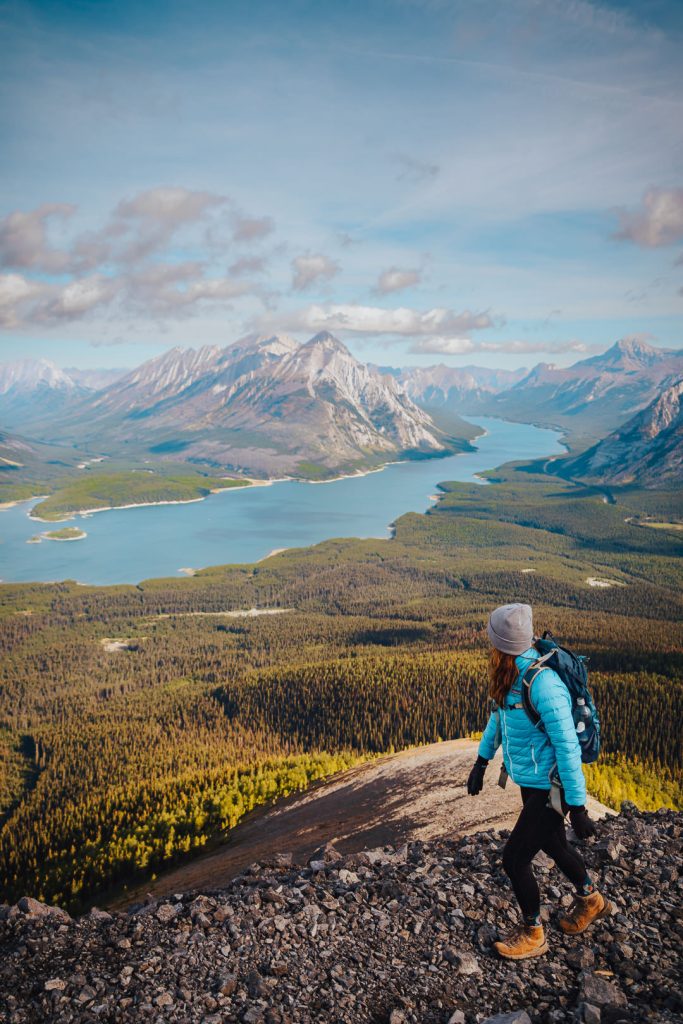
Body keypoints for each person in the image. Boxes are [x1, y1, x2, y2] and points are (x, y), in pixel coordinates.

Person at [466, 602, 611, 960]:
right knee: (555, 845)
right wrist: (482, 761)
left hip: (552, 787)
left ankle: (533, 933)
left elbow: (567, 745)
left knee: (514, 859)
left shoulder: (543, 683)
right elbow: (498, 719)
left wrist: (577, 805)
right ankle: (591, 900)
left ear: (501, 643)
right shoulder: (511, 674)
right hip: (531, 781)